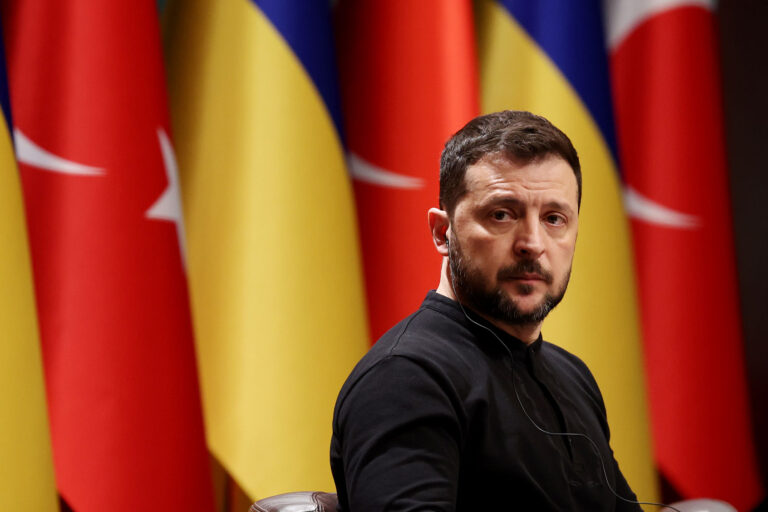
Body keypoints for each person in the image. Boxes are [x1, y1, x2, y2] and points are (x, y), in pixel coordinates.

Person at [330, 110, 641, 511]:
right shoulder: (404, 378)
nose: (532, 243)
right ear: (442, 233)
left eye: (554, 219)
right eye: (502, 215)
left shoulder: (573, 375)